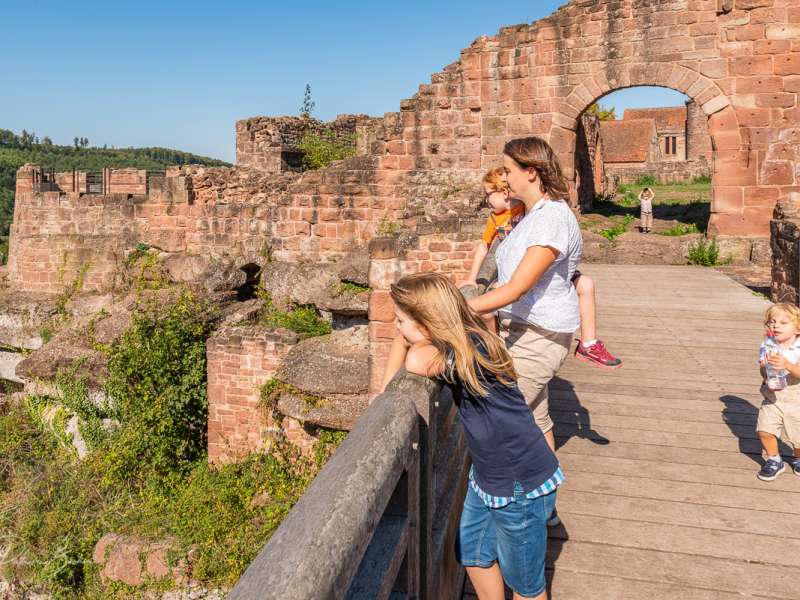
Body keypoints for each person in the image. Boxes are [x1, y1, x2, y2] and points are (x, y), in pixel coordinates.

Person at [381, 272, 561, 600]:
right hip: (489, 478)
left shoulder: (467, 355)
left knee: (526, 587)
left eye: (400, 320)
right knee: (474, 555)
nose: (396, 327)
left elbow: (415, 362)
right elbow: (385, 394)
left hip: (519, 486)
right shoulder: (468, 338)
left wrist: (403, 340)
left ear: (426, 326)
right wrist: (408, 331)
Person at [466, 168, 621, 370]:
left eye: (488, 194)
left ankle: (589, 342)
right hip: (519, 272)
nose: (486, 200)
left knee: (586, 284)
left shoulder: (523, 208)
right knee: (488, 308)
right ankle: (496, 349)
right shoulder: (494, 219)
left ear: (503, 192)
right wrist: (472, 278)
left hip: (539, 269)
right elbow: (484, 246)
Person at [756, 303, 800, 481]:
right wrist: (765, 369)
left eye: (783, 322)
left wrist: (788, 365)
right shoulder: (768, 344)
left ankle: (798, 457)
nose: (776, 326)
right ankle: (774, 459)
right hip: (773, 397)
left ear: (798, 328)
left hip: (796, 399)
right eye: (772, 322)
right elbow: (761, 371)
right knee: (764, 430)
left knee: (798, 438)